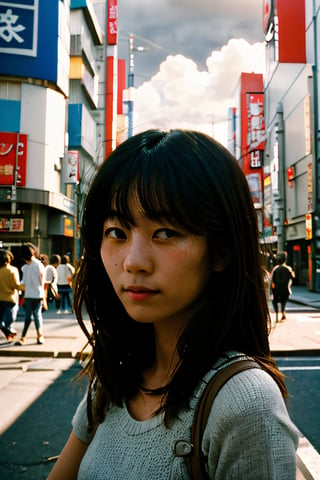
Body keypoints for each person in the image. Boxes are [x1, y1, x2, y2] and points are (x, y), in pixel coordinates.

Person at [48, 130, 298, 480]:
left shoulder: (244, 404)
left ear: (221, 251)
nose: (134, 262)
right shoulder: (111, 381)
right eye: (117, 232)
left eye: (165, 232)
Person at [15, 243, 46, 346]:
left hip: (33, 295)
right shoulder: (34, 265)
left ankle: (26, 337)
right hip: (35, 294)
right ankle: (38, 336)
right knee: (35, 316)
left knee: (31, 316)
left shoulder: (30, 266)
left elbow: (41, 281)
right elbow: (42, 281)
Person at [0, 249, 25, 341]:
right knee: (9, 320)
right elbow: (16, 285)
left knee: (1, 320)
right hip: (10, 299)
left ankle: (8, 334)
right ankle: (9, 332)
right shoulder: (13, 270)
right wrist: (27, 287)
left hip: (0, 299)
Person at [271, 251, 295, 322]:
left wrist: (272, 289)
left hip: (276, 289)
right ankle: (283, 312)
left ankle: (277, 313)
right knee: (283, 301)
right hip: (285, 289)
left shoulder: (275, 269)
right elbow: (293, 277)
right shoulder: (288, 268)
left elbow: (272, 281)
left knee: (274, 301)